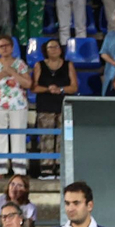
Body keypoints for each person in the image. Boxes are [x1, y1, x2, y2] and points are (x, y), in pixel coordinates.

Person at [0, 35, 32, 176]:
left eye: (6, 45)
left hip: (18, 104)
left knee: (18, 137)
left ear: (12, 47)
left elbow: (28, 84)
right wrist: (3, 73)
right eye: (1, 46)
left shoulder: (20, 63)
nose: (4, 48)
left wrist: (13, 73)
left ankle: (19, 170)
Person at [30, 36, 75, 174]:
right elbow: (34, 87)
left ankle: (62, 168)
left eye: (56, 47)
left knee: (64, 138)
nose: (54, 50)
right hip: (45, 106)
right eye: (51, 47)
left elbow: (74, 87)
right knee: (46, 138)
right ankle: (47, 169)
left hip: (64, 106)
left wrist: (60, 89)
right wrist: (48, 89)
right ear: (45, 50)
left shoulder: (69, 65)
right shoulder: (39, 65)